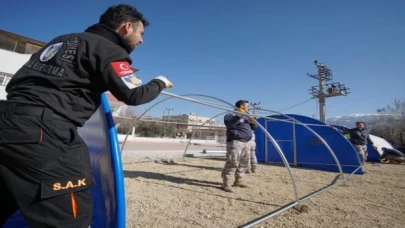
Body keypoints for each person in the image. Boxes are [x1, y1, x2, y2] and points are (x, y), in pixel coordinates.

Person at [0, 4, 172, 228]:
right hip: (44, 132)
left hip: (7, 121)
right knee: (68, 219)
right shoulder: (108, 48)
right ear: (126, 27)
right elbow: (133, 94)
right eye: (141, 33)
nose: (141, 41)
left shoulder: (62, 40)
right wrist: (160, 82)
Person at [221, 100, 256, 192]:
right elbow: (230, 124)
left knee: (244, 162)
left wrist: (253, 123)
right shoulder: (231, 115)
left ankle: (238, 180)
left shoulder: (246, 116)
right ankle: (226, 182)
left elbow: (251, 129)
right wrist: (238, 116)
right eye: (247, 106)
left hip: (246, 142)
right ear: (242, 106)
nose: (248, 108)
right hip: (235, 142)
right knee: (233, 162)